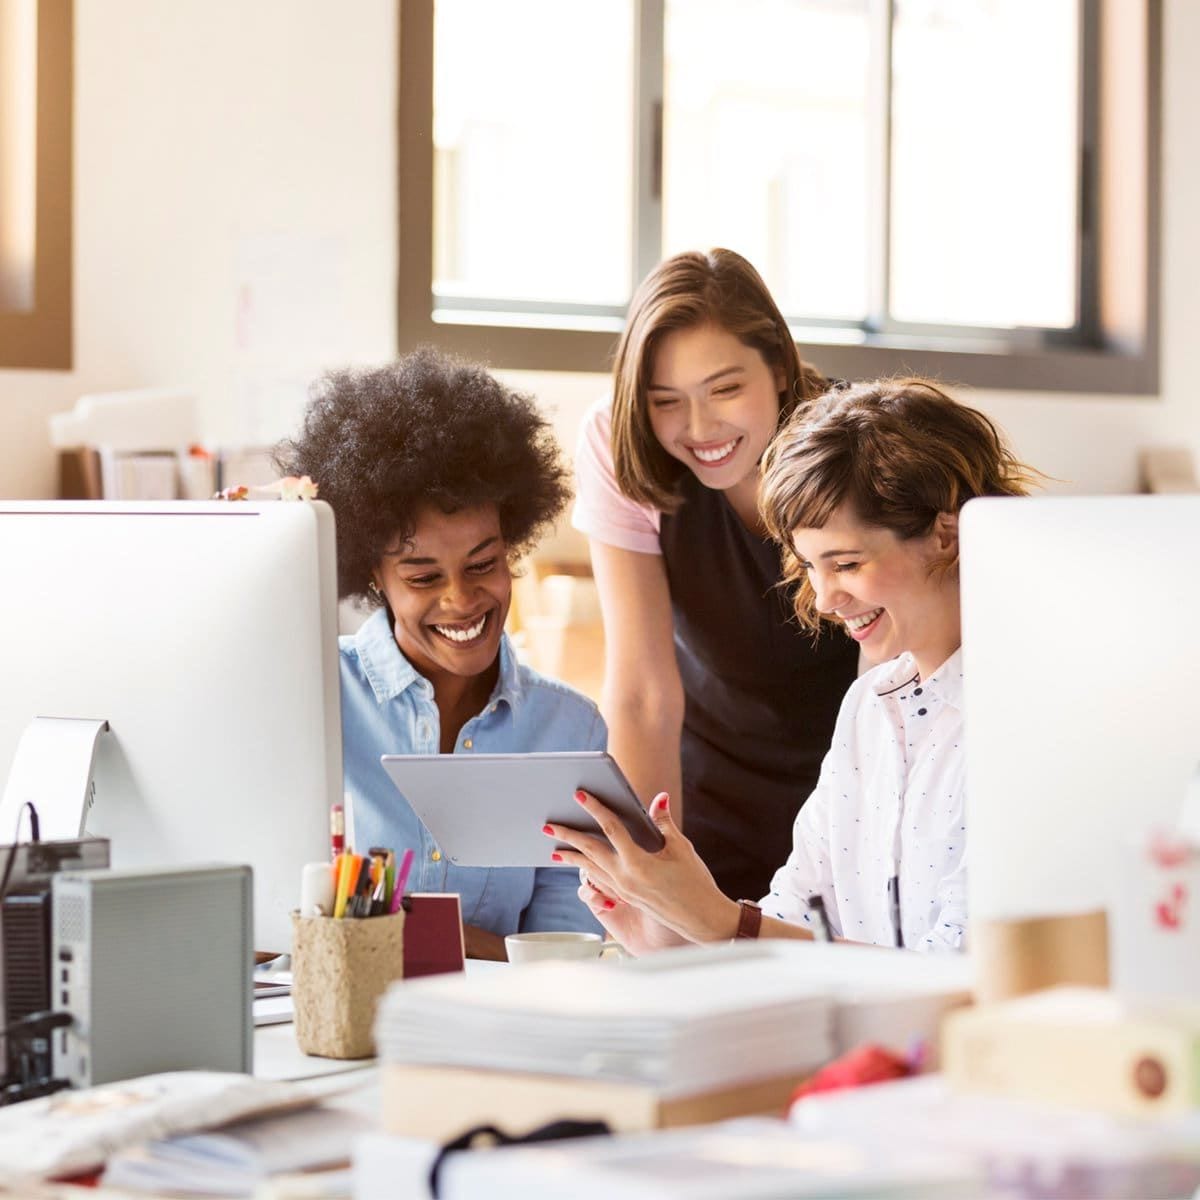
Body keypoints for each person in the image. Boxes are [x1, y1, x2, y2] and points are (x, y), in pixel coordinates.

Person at [548, 378, 1038, 955]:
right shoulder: (869, 709)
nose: (827, 599)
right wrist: (672, 934)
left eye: (847, 563)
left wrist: (721, 922)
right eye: (810, 567)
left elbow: (960, 976)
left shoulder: (1026, 715)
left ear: (946, 536)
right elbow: (797, 914)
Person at [278, 347, 604, 960]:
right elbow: (273, 918)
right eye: (423, 577)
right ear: (374, 576)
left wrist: (402, 934)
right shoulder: (313, 698)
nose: (461, 599)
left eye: (483, 564)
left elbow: (568, 951)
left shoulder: (569, 729)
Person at [573, 248, 859, 902]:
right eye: (665, 400)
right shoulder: (617, 445)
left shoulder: (856, 445)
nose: (700, 429)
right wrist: (648, 875)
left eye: (725, 389)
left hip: (853, 788)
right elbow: (643, 691)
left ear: (782, 369)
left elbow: (892, 686)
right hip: (709, 793)